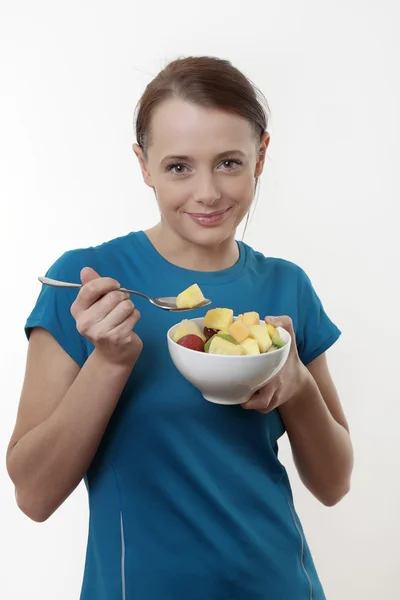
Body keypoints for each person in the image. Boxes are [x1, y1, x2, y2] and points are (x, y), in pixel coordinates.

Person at [6, 56, 354, 600]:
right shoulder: (86, 283)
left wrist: (297, 385)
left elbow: (334, 484)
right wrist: (111, 360)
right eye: (179, 167)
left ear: (261, 156)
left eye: (230, 162)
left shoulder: (288, 287)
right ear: (143, 165)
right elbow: (34, 495)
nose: (209, 192)